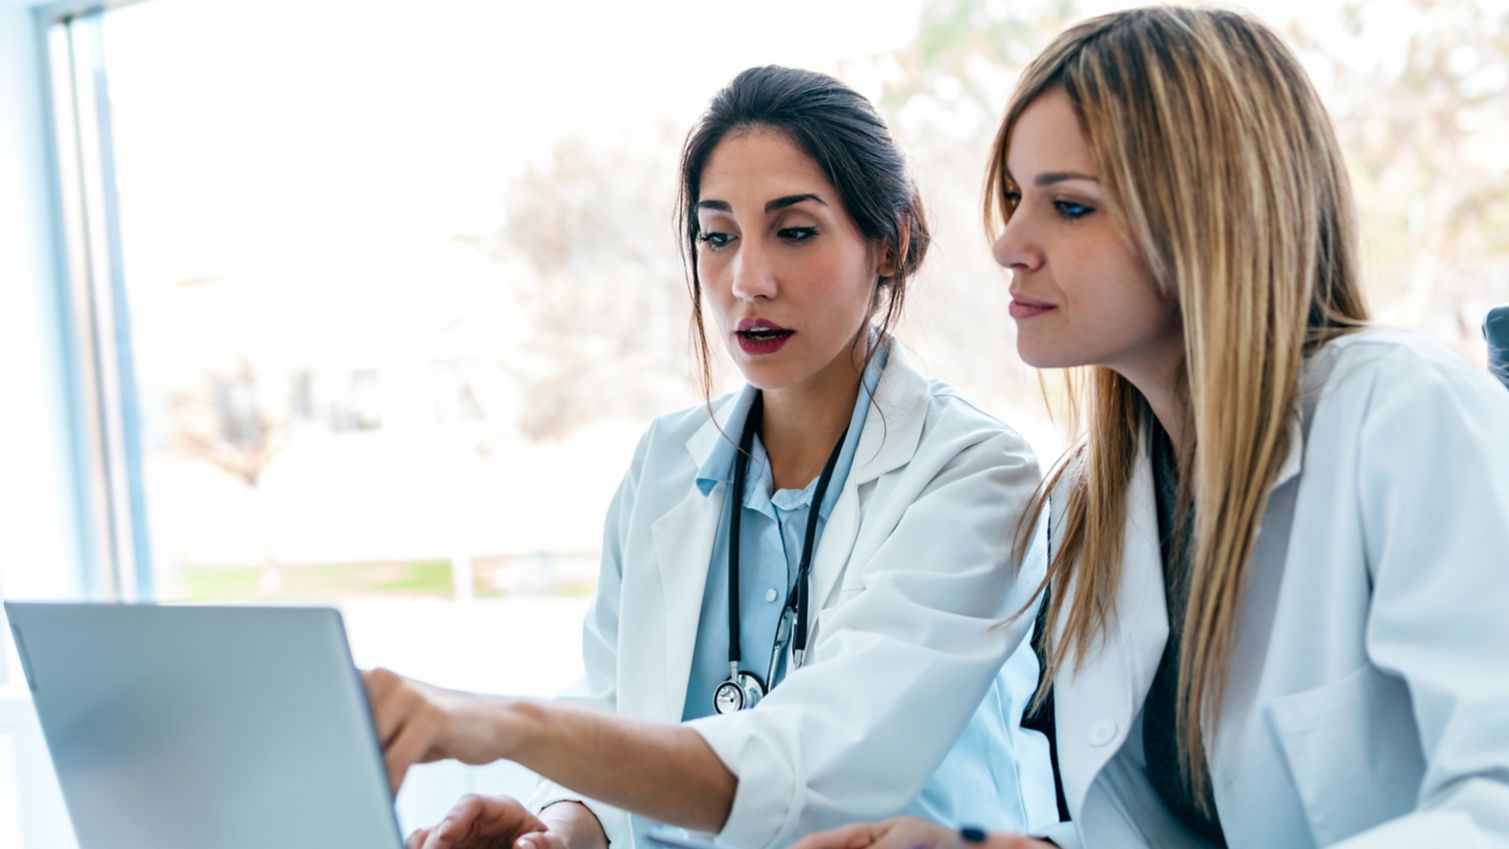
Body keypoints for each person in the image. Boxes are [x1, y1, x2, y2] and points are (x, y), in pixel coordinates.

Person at [791, 7, 1509, 849]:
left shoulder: (1408, 417)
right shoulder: (1096, 505)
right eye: (1016, 198)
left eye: (1069, 206)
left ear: (1211, 214)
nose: (1008, 244)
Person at [363, 65, 1056, 849]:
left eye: (793, 232)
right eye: (717, 235)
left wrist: (496, 722)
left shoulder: (974, 472)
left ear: (889, 243)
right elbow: (613, 702)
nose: (746, 281)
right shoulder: (664, 462)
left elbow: (824, 764)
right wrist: (560, 830)